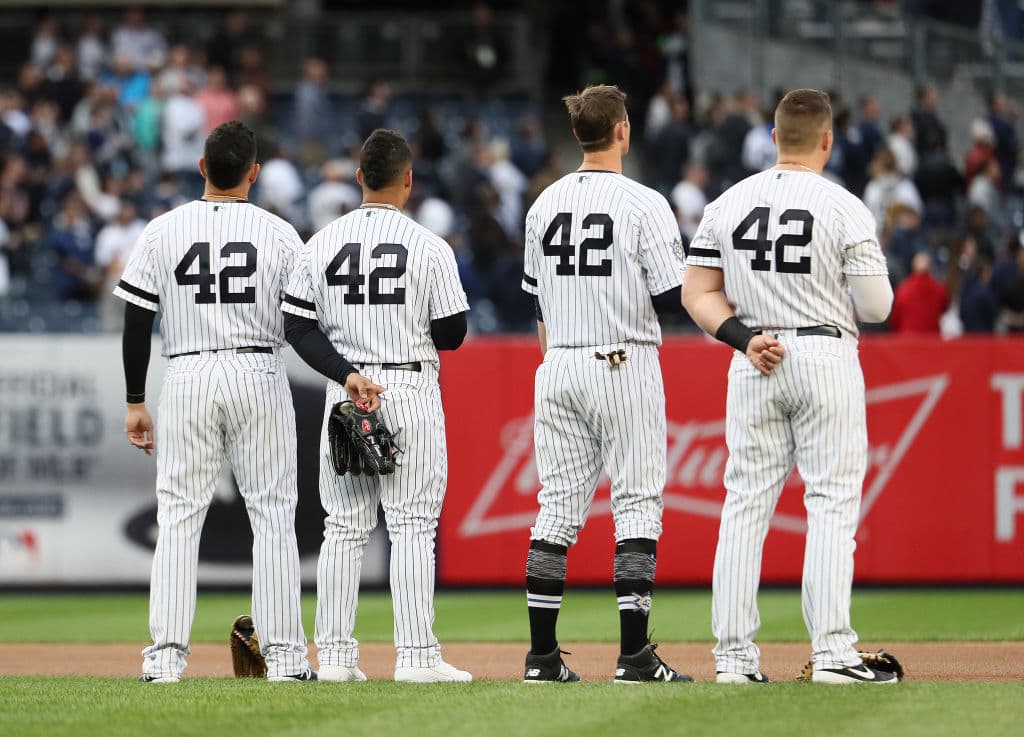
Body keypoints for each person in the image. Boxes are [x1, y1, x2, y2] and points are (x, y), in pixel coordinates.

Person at [116, 120, 381, 683]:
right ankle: (285, 658)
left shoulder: (163, 229)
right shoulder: (280, 233)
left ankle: (164, 660)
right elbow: (308, 319)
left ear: (202, 168)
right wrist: (348, 370)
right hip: (257, 370)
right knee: (274, 516)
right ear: (254, 174)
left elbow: (138, 317)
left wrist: (136, 399)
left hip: (186, 371)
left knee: (179, 518)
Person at [682, 89, 898, 685]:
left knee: (744, 505)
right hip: (825, 351)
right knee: (829, 504)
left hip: (753, 354)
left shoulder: (728, 202)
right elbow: (877, 306)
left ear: (774, 138)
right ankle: (831, 654)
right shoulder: (844, 205)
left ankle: (732, 660)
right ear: (827, 140)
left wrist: (742, 336)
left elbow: (696, 293)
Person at [281, 128, 472, 683]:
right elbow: (454, 334)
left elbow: (297, 326)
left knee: (342, 527)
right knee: (412, 526)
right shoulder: (429, 245)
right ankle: (415, 659)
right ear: (408, 180)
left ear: (359, 177)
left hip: (350, 391)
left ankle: (337, 659)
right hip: (407, 387)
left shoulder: (320, 242)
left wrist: (347, 374)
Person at [520, 84, 691, 684]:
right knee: (637, 506)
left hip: (558, 364)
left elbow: (536, 304)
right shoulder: (644, 202)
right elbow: (673, 298)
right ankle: (634, 656)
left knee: (556, 513)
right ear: (622, 131)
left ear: (576, 134)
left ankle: (541, 659)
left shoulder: (541, 205)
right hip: (622, 360)